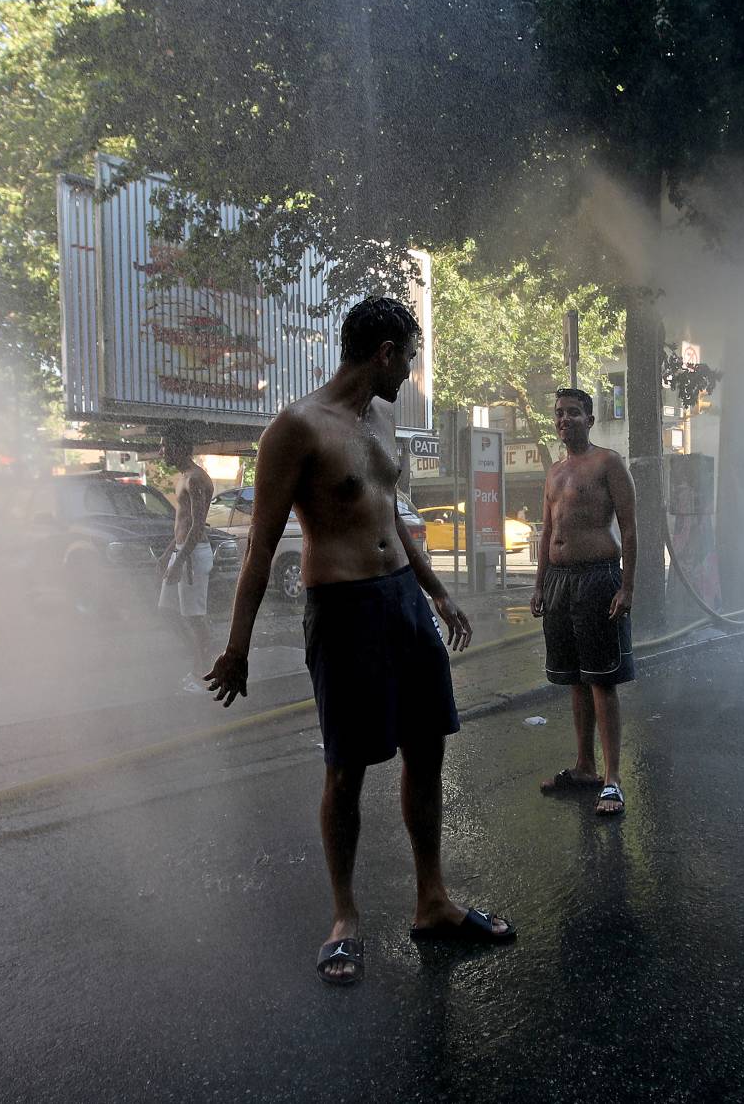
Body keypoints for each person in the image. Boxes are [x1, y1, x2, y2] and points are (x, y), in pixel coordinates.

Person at [204, 296, 512, 987]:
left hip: (403, 599)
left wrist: (434, 588)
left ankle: (432, 900)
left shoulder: (384, 418)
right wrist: (238, 646)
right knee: (346, 767)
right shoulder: (295, 429)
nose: (410, 370)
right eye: (408, 356)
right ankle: (344, 916)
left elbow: (392, 517)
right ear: (383, 352)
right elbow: (259, 548)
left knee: (426, 747)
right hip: (342, 608)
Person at [530, 387, 638, 817]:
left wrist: (626, 587)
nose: (565, 419)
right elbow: (546, 531)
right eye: (559, 413)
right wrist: (539, 584)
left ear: (590, 419)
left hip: (598, 579)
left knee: (601, 679)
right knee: (574, 677)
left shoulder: (608, 463)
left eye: (574, 413)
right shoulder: (554, 471)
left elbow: (629, 530)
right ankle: (584, 767)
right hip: (559, 581)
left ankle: (612, 779)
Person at [158, 433, 216, 693]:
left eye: (164, 446)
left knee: (195, 619)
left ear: (178, 447)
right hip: (182, 551)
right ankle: (199, 661)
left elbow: (197, 525)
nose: (161, 452)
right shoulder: (183, 477)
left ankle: (204, 674)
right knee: (168, 610)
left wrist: (180, 560)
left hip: (193, 555)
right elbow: (182, 525)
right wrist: (168, 552)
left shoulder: (196, 479)